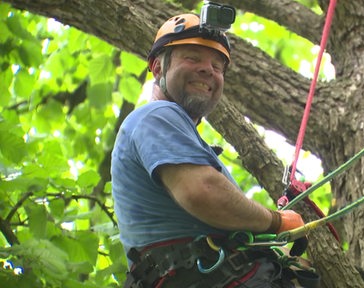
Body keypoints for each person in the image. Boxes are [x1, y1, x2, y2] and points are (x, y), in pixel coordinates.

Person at [111, 12, 314, 288]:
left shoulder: (183, 142)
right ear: (158, 68)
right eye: (192, 58)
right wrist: (276, 222)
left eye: (218, 66)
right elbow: (202, 191)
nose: (208, 69)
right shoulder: (156, 115)